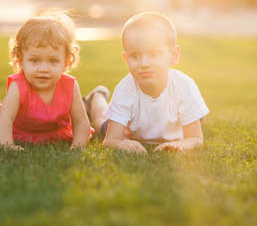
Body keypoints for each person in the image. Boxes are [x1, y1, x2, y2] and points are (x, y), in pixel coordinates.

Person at [0, 13, 91, 150]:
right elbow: (5, 119)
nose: (43, 69)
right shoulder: (18, 86)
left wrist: (77, 147)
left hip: (53, 131)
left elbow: (81, 121)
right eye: (34, 60)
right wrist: (8, 145)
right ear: (21, 60)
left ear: (66, 61)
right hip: (19, 129)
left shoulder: (70, 86)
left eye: (53, 61)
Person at [85, 12, 209, 153]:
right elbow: (110, 141)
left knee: (194, 117)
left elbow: (195, 139)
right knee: (101, 122)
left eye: (154, 54)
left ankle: (196, 114)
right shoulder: (125, 89)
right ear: (126, 59)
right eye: (135, 56)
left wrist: (180, 145)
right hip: (129, 127)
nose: (144, 63)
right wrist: (124, 144)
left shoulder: (184, 86)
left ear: (173, 56)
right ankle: (97, 96)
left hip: (175, 122)